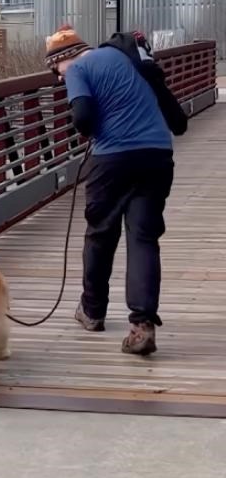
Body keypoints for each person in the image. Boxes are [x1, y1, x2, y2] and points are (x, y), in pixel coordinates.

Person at [45, 24, 175, 355]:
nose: (59, 78)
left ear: (66, 58)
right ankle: (142, 325)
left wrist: (86, 124)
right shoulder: (124, 58)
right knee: (143, 237)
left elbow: (84, 118)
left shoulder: (79, 69)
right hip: (158, 154)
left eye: (55, 70)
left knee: (101, 234)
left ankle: (92, 311)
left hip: (114, 160)